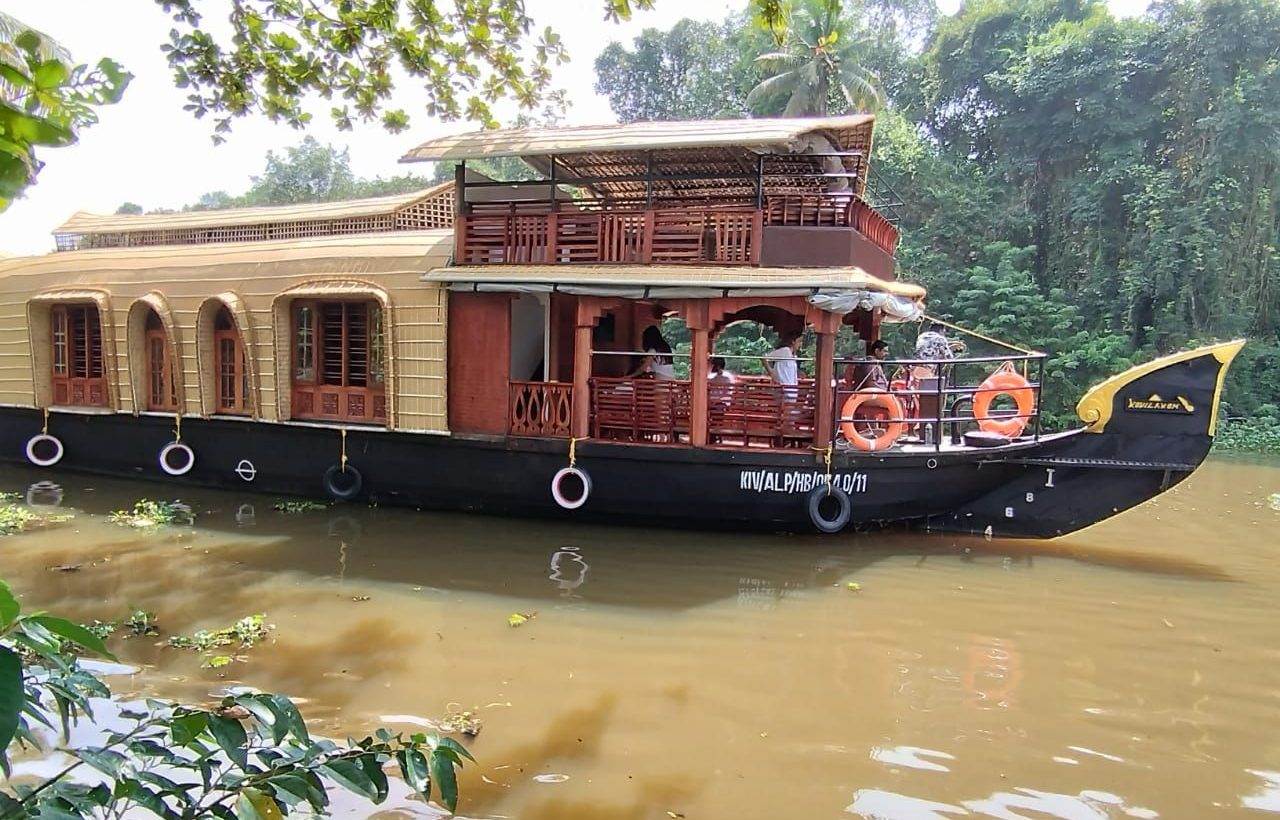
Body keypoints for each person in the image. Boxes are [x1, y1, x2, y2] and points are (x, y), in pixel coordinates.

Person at [763, 331, 802, 399]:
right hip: (784, 390)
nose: (800, 344)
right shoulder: (785, 351)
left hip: (792, 391)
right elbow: (765, 358)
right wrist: (771, 373)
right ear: (793, 342)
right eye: (799, 341)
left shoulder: (792, 355)